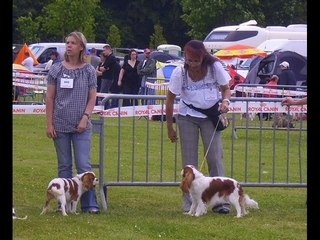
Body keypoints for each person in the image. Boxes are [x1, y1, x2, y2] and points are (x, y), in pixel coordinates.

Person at [165, 40, 232, 214]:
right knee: (189, 164)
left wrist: (225, 101)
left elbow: (226, 88)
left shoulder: (215, 67)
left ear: (203, 57)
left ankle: (220, 201)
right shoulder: (179, 72)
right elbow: (170, 100)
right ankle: (190, 203)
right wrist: (170, 127)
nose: (193, 64)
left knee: (215, 159)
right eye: (189, 60)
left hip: (210, 117)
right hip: (187, 117)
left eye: (196, 60)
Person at [45, 31, 100, 214]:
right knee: (64, 165)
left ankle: (89, 203)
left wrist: (85, 117)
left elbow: (93, 97)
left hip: (81, 125)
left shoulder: (89, 70)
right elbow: (50, 98)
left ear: (81, 47)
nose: (68, 46)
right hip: (60, 124)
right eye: (67, 42)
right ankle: (64, 205)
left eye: (73, 43)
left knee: (84, 165)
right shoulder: (56, 69)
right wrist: (49, 124)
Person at [99, 44, 120, 109]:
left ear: (108, 50)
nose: (103, 52)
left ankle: (106, 107)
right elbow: (102, 68)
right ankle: (106, 106)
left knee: (103, 93)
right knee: (103, 93)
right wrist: (103, 68)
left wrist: (103, 68)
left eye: (104, 50)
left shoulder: (111, 58)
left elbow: (103, 68)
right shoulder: (108, 58)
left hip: (108, 78)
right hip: (106, 77)